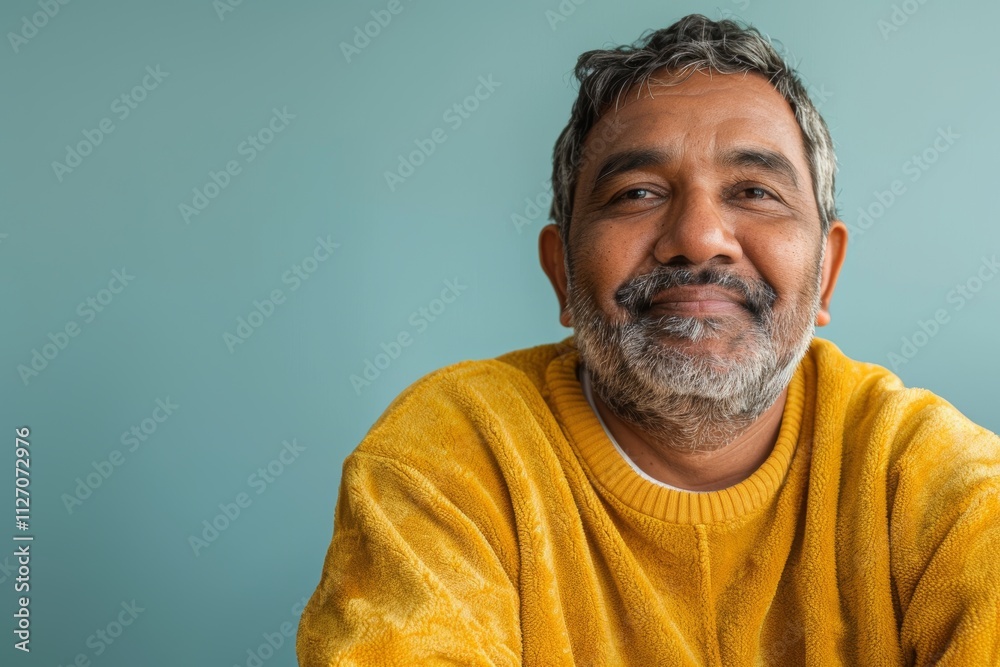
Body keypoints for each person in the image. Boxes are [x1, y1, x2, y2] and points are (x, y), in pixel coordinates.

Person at [297, 14, 1000, 665]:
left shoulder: (930, 477)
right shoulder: (450, 455)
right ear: (562, 273)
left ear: (827, 274)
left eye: (754, 191)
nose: (697, 237)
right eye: (637, 192)